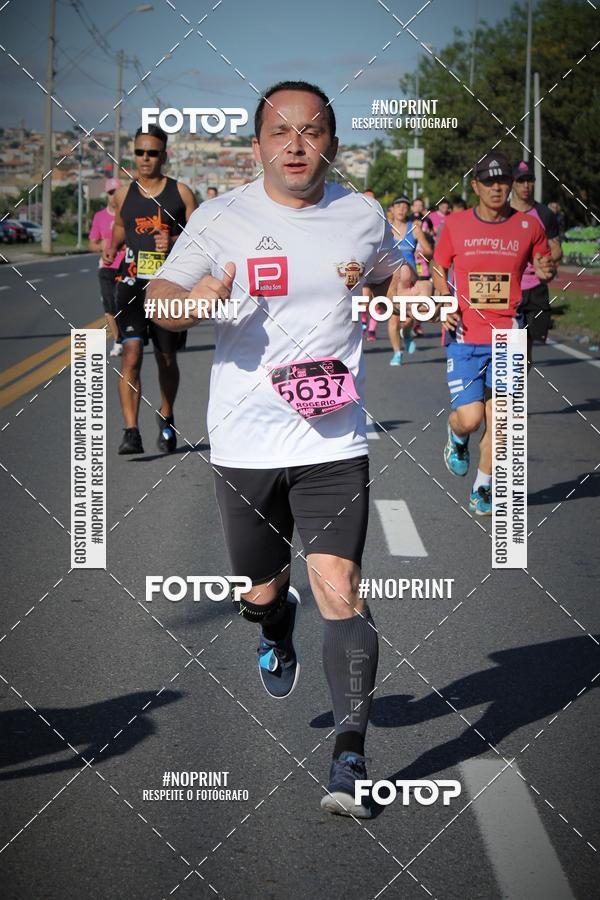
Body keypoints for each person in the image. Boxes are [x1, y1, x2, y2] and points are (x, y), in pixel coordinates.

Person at [146, 80, 414, 819]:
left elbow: (395, 270)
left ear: (332, 140)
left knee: (343, 587)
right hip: (245, 440)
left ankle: (351, 759)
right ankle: (274, 621)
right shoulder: (223, 215)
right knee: (259, 590)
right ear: (257, 144)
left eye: (312, 130)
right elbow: (158, 294)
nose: (297, 144)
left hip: (333, 437)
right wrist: (191, 303)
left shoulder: (360, 215)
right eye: (281, 132)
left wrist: (398, 290)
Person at [433, 152, 556, 515]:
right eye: (489, 182)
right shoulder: (455, 225)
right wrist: (445, 301)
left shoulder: (528, 226)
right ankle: (457, 438)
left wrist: (548, 270)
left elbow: (544, 265)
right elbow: (439, 266)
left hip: (509, 336)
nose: (497, 188)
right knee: (471, 418)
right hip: (466, 336)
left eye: (503, 181)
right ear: (476, 186)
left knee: (504, 422)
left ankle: (483, 487)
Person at [103, 125, 197, 455]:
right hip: (129, 286)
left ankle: (167, 416)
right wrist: (110, 247)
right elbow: (118, 227)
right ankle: (131, 431)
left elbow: (201, 238)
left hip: (167, 288)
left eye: (152, 152)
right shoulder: (123, 195)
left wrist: (172, 240)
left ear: (164, 155)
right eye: (140, 152)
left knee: (166, 358)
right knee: (130, 355)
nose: (145, 158)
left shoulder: (180, 193)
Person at [511, 160, 563, 364]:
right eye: (521, 180)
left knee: (526, 352)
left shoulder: (544, 214)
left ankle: (516, 391)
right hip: (509, 288)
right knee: (509, 345)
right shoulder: (503, 212)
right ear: (512, 183)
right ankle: (502, 391)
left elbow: (557, 248)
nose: (526, 186)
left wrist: (548, 259)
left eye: (529, 181)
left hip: (535, 288)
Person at [388, 196, 432, 365]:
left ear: (408, 210)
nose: (401, 209)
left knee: (410, 317)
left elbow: (428, 250)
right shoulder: (386, 229)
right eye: (398, 206)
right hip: (392, 282)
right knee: (393, 319)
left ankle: (407, 334)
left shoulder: (414, 228)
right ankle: (397, 353)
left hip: (410, 280)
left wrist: (423, 252)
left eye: (405, 206)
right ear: (392, 208)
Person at [88, 177, 125, 357]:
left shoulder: (128, 215)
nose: (113, 196)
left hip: (127, 266)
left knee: (125, 303)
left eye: (116, 192)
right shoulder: (99, 216)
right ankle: (118, 340)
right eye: (111, 193)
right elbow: (92, 244)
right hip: (107, 267)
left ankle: (130, 335)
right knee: (109, 305)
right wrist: (100, 246)